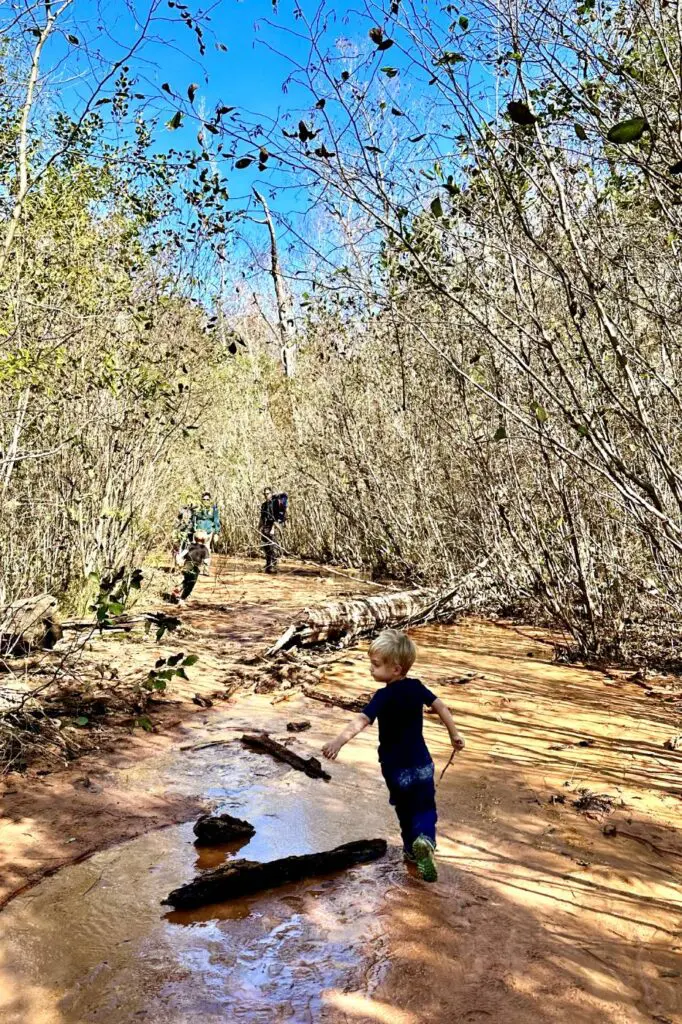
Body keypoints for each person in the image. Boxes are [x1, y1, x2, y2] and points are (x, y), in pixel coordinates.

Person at [322, 629, 465, 883]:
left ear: (396, 669)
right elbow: (441, 706)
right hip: (421, 763)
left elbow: (362, 720)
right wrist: (453, 734)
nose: (370, 670)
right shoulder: (417, 687)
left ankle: (412, 850)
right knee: (425, 808)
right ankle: (426, 842)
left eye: (375, 665)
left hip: (394, 768)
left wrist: (338, 741)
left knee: (404, 809)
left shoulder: (383, 696)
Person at [173, 531, 210, 604]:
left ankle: (180, 587)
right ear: (204, 540)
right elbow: (206, 560)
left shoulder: (190, 545)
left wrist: (178, 558)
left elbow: (183, 553)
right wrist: (205, 566)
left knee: (187, 579)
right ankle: (182, 599)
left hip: (187, 564)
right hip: (195, 567)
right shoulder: (204, 548)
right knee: (191, 584)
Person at [191, 492, 220, 573]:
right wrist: (193, 529)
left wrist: (217, 533)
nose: (206, 501)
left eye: (207, 499)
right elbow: (193, 519)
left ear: (210, 500)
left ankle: (206, 568)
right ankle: (196, 567)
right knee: (196, 549)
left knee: (206, 549)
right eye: (204, 499)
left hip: (208, 531)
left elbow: (216, 520)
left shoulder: (214, 509)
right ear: (201, 499)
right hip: (198, 531)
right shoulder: (197, 508)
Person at [259, 486, 281, 574]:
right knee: (266, 547)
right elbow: (262, 517)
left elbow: (276, 518)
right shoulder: (264, 505)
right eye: (264, 494)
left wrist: (273, 529)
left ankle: (274, 565)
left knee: (273, 547)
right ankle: (268, 564)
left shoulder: (275, 504)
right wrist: (259, 527)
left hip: (273, 526)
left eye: (267, 494)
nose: (266, 495)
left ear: (271, 494)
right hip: (265, 527)